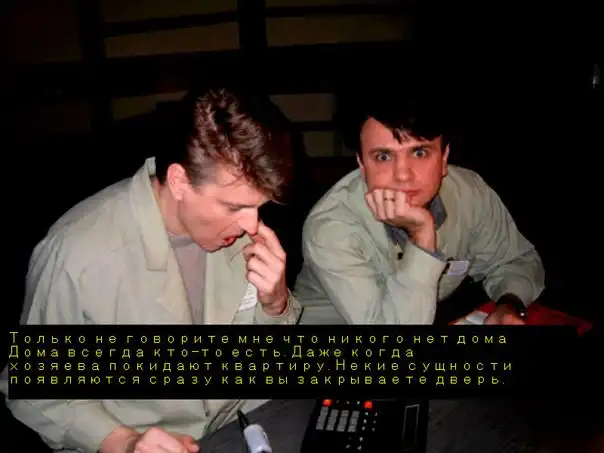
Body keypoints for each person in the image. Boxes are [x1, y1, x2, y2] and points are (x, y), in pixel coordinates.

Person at [1, 87, 302, 453]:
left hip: (244, 423)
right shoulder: (77, 255)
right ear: (179, 182)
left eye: (258, 207)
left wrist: (277, 306)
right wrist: (124, 442)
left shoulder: (244, 236)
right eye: (234, 207)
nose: (252, 226)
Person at [294, 83, 545, 326]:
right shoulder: (331, 229)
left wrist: (508, 305)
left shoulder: (470, 193)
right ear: (361, 164)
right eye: (383, 156)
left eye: (420, 153)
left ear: (444, 158)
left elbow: (516, 261)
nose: (403, 175)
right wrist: (422, 237)